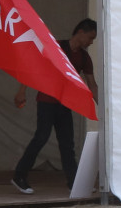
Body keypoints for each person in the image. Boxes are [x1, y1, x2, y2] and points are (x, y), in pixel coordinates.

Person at [11, 18, 99, 195]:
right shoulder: (56, 47)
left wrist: (101, 105)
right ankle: (19, 175)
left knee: (67, 144)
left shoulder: (84, 57)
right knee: (41, 137)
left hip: (64, 103)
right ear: (80, 32)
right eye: (90, 38)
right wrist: (22, 91)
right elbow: (34, 67)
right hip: (46, 100)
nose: (90, 42)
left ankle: (74, 182)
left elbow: (92, 83)